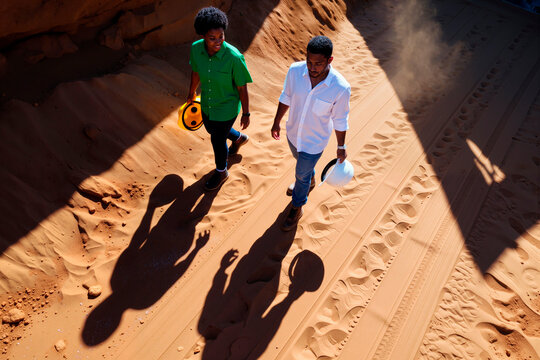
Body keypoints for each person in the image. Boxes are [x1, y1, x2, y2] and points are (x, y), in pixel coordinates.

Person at [271, 36, 351, 231]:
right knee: (302, 168)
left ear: (329, 61)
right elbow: (286, 96)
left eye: (318, 64)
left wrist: (341, 147)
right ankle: (309, 179)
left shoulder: (340, 88)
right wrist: (276, 121)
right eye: (309, 62)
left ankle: (297, 206)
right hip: (292, 135)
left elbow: (340, 120)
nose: (312, 68)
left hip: (314, 143)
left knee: (300, 174)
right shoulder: (295, 71)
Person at [187, 6, 253, 191]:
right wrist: (191, 93)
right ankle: (238, 138)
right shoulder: (196, 49)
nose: (218, 42)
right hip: (207, 104)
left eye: (221, 36)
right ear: (203, 36)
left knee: (217, 140)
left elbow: (242, 87)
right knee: (212, 130)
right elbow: (195, 72)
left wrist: (246, 113)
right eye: (212, 38)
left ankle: (222, 171)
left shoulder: (234, 57)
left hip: (227, 107)